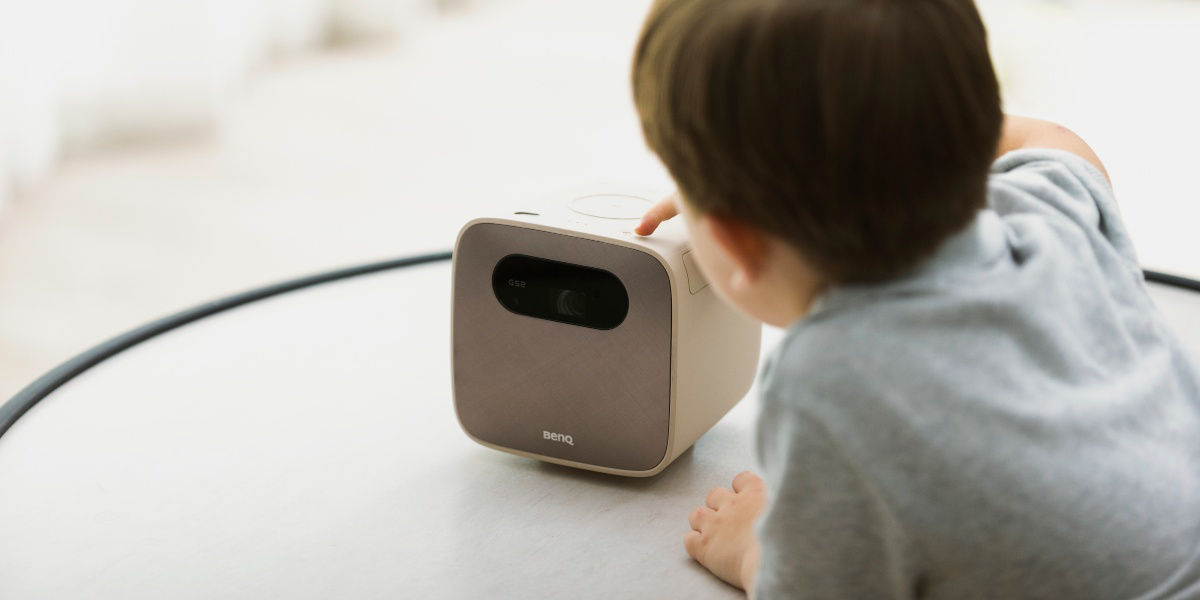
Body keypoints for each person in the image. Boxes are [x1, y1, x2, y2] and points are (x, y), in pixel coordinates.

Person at [629, 0, 1200, 598]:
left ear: (733, 241)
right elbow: (1053, 138)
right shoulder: (1052, 213)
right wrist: (913, 119)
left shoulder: (832, 379)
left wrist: (755, 550)